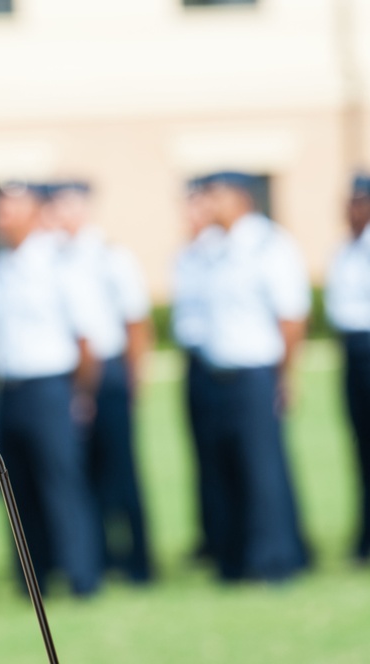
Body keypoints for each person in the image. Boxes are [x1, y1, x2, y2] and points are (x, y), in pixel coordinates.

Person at [0, 182, 102, 596]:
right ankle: (35, 578)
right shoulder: (1, 264)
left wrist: (80, 395)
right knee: (18, 486)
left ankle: (80, 575)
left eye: (7, 210)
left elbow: (88, 340)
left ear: (33, 213)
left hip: (51, 387)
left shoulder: (58, 263)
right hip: (10, 390)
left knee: (60, 483)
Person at [193, 170, 310, 582]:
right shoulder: (209, 248)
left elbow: (292, 318)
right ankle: (234, 559)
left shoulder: (268, 244)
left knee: (262, 470)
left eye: (214, 196)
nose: (206, 205)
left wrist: (284, 375)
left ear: (240, 197)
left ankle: (274, 560)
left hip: (255, 372)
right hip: (216, 374)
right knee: (224, 470)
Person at [50, 180, 155, 583]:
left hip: (110, 371)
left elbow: (136, 324)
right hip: (78, 370)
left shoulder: (110, 256)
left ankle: (139, 560)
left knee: (121, 470)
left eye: (64, 207)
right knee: (88, 470)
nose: (58, 216)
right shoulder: (58, 256)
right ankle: (104, 556)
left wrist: (134, 384)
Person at [171, 176, 220, 563]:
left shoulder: (245, 248)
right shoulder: (190, 254)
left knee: (255, 466)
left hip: (244, 369)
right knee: (209, 461)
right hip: (199, 363)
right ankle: (220, 544)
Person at [324, 172, 370, 562]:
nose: (350, 209)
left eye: (357, 201)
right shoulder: (346, 248)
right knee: (361, 446)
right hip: (353, 350)